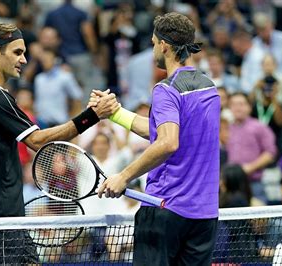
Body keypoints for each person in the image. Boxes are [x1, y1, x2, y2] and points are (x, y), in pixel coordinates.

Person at [0, 23, 119, 265]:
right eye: (17, 52)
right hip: (4, 222)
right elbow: (37, 141)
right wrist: (91, 115)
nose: (25, 60)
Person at [93, 12, 220, 265]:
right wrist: (115, 114)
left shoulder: (166, 89)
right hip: (204, 215)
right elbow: (161, 131)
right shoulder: (209, 87)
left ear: (164, 45)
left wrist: (123, 176)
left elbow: (167, 142)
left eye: (153, 43)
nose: (153, 51)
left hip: (165, 209)